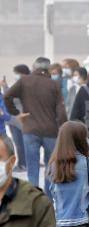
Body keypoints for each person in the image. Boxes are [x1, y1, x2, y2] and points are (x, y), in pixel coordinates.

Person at [3, 57, 67, 195]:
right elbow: (61, 110)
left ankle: (33, 196)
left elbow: (7, 96)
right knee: (50, 165)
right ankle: (49, 196)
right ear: (48, 68)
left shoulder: (24, 81)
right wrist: (62, 126)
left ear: (34, 67)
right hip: (51, 130)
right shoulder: (53, 84)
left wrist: (16, 113)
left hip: (30, 129)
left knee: (32, 165)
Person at [2, 65, 30, 173]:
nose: (16, 76)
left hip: (17, 119)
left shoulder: (22, 85)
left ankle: (22, 164)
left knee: (20, 143)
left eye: (17, 73)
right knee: (22, 143)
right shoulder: (27, 84)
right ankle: (24, 163)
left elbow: (10, 96)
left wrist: (5, 87)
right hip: (17, 119)